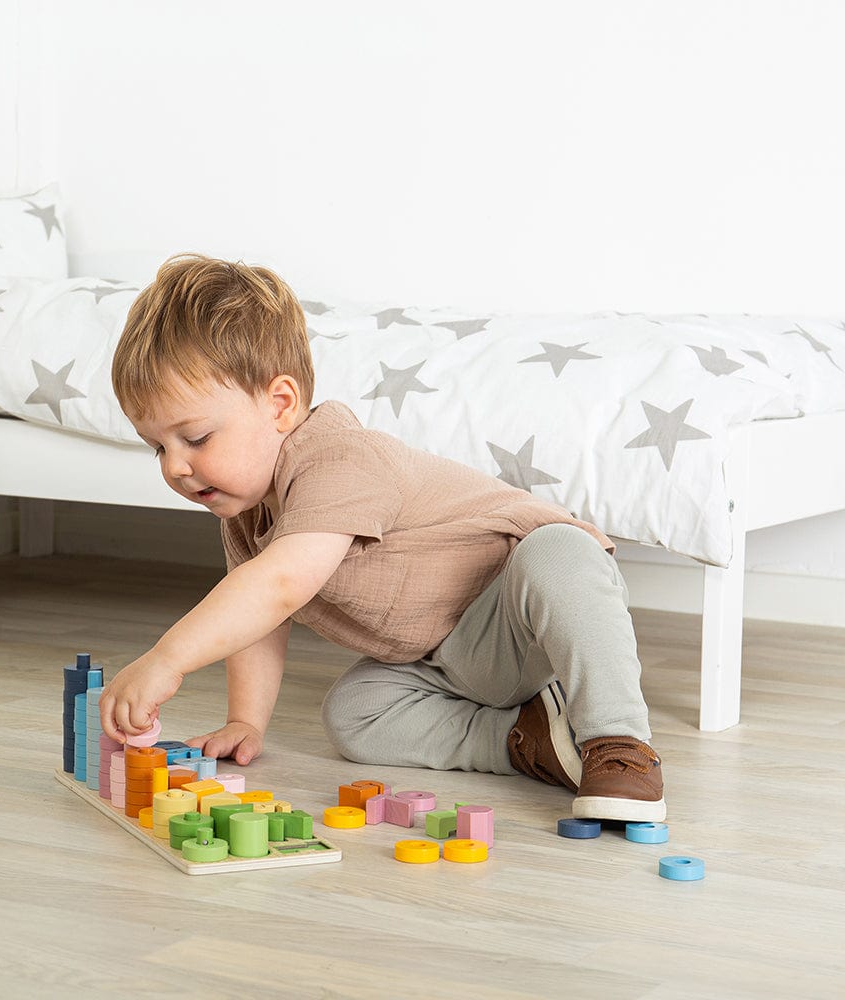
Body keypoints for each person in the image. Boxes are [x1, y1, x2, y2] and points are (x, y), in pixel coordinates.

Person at [99, 253, 665, 823]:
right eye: (158, 447)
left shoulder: (337, 457)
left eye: (194, 438)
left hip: (523, 619)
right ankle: (528, 741)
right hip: (443, 660)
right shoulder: (245, 515)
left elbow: (280, 585)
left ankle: (619, 744)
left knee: (559, 551)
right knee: (354, 715)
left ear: (280, 405)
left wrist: (167, 659)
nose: (175, 467)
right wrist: (247, 720)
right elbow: (259, 617)